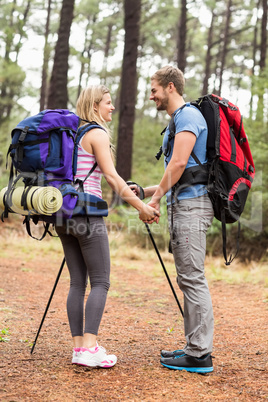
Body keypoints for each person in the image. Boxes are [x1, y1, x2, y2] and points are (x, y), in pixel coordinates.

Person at [55, 85, 159, 369]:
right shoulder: (96, 133)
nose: (112, 107)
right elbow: (112, 178)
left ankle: (79, 349)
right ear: (95, 105)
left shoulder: (71, 134)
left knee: (77, 282)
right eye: (108, 103)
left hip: (63, 213)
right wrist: (143, 208)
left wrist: (134, 190)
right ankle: (90, 347)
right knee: (100, 281)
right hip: (88, 213)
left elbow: (95, 172)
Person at [131, 66, 214, 373]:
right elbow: (179, 174)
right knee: (187, 278)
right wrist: (145, 189)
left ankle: (200, 354)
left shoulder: (189, 117)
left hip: (193, 208)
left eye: (154, 90)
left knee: (192, 278)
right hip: (184, 204)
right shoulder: (179, 120)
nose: (151, 96)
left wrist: (152, 200)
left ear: (169, 87)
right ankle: (194, 347)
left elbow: (179, 163)